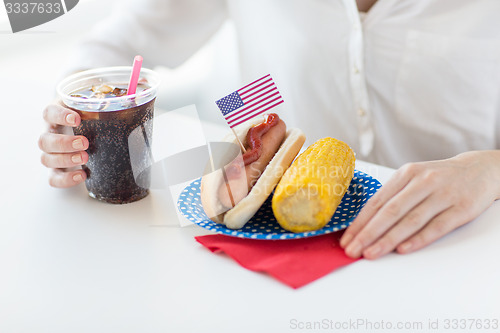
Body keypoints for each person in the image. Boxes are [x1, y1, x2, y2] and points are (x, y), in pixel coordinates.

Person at [38, 0, 500, 259]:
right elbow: (119, 41)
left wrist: (491, 168)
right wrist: (71, 122)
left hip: (459, 245)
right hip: (261, 251)